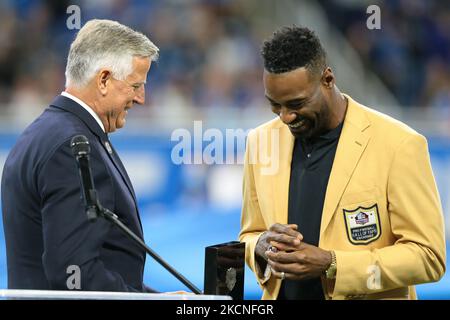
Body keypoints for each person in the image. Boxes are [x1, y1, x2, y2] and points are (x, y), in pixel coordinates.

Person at [239, 26, 446, 300]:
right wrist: (259, 247)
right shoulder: (260, 141)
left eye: (297, 103)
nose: (286, 117)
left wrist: (332, 264)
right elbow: (249, 234)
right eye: (275, 106)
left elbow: (428, 257)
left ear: (327, 78)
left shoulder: (399, 145)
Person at [1, 19, 160, 292]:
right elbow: (73, 275)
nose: (141, 98)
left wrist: (159, 298)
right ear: (104, 80)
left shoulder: (44, 132)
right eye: (135, 86)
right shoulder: (73, 147)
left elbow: (101, 263)